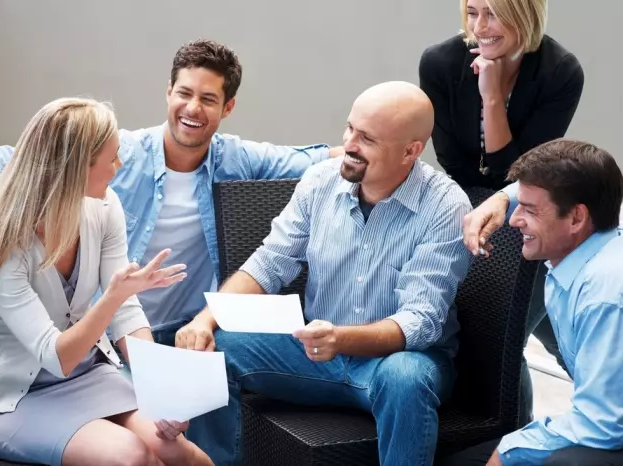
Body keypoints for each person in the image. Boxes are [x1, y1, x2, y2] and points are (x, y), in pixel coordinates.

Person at [0, 38, 342, 347]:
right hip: (110, 334)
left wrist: (388, 149)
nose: (193, 108)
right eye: (184, 93)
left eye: (208, 99)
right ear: (168, 92)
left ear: (227, 108)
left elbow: (317, 157)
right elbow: (15, 160)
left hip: (189, 331)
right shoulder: (117, 152)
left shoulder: (238, 159)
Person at [175, 81, 473, 466]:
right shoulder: (321, 179)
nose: (349, 143)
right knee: (213, 349)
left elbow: (420, 322)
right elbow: (269, 263)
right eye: (350, 128)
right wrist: (205, 320)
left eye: (367, 138)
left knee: (406, 379)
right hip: (315, 354)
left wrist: (340, 338)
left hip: (395, 362)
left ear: (410, 151)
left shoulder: (446, 206)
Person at [0, 97, 212, 466]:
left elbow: (126, 312)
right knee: (131, 456)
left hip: (93, 376)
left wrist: (161, 392)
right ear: (75, 167)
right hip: (16, 401)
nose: (119, 167)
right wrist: (112, 298)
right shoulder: (1, 244)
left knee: (180, 453)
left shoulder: (104, 207)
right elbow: (57, 357)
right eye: (112, 158)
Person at [418, 0, 584, 424]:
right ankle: (512, 434)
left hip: (528, 208)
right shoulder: (441, 62)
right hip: (462, 205)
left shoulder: (560, 70)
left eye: (494, 13)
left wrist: (491, 98)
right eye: (473, 12)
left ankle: (590, 413)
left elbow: (524, 170)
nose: (480, 26)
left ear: (525, 13)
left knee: (522, 336)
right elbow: (454, 162)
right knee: (506, 336)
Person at [444, 138, 623, 465]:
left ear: (576, 218)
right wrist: (502, 198)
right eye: (519, 205)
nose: (514, 220)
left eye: (529, 210)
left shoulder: (605, 293)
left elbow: (602, 423)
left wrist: (509, 450)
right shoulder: (575, 260)